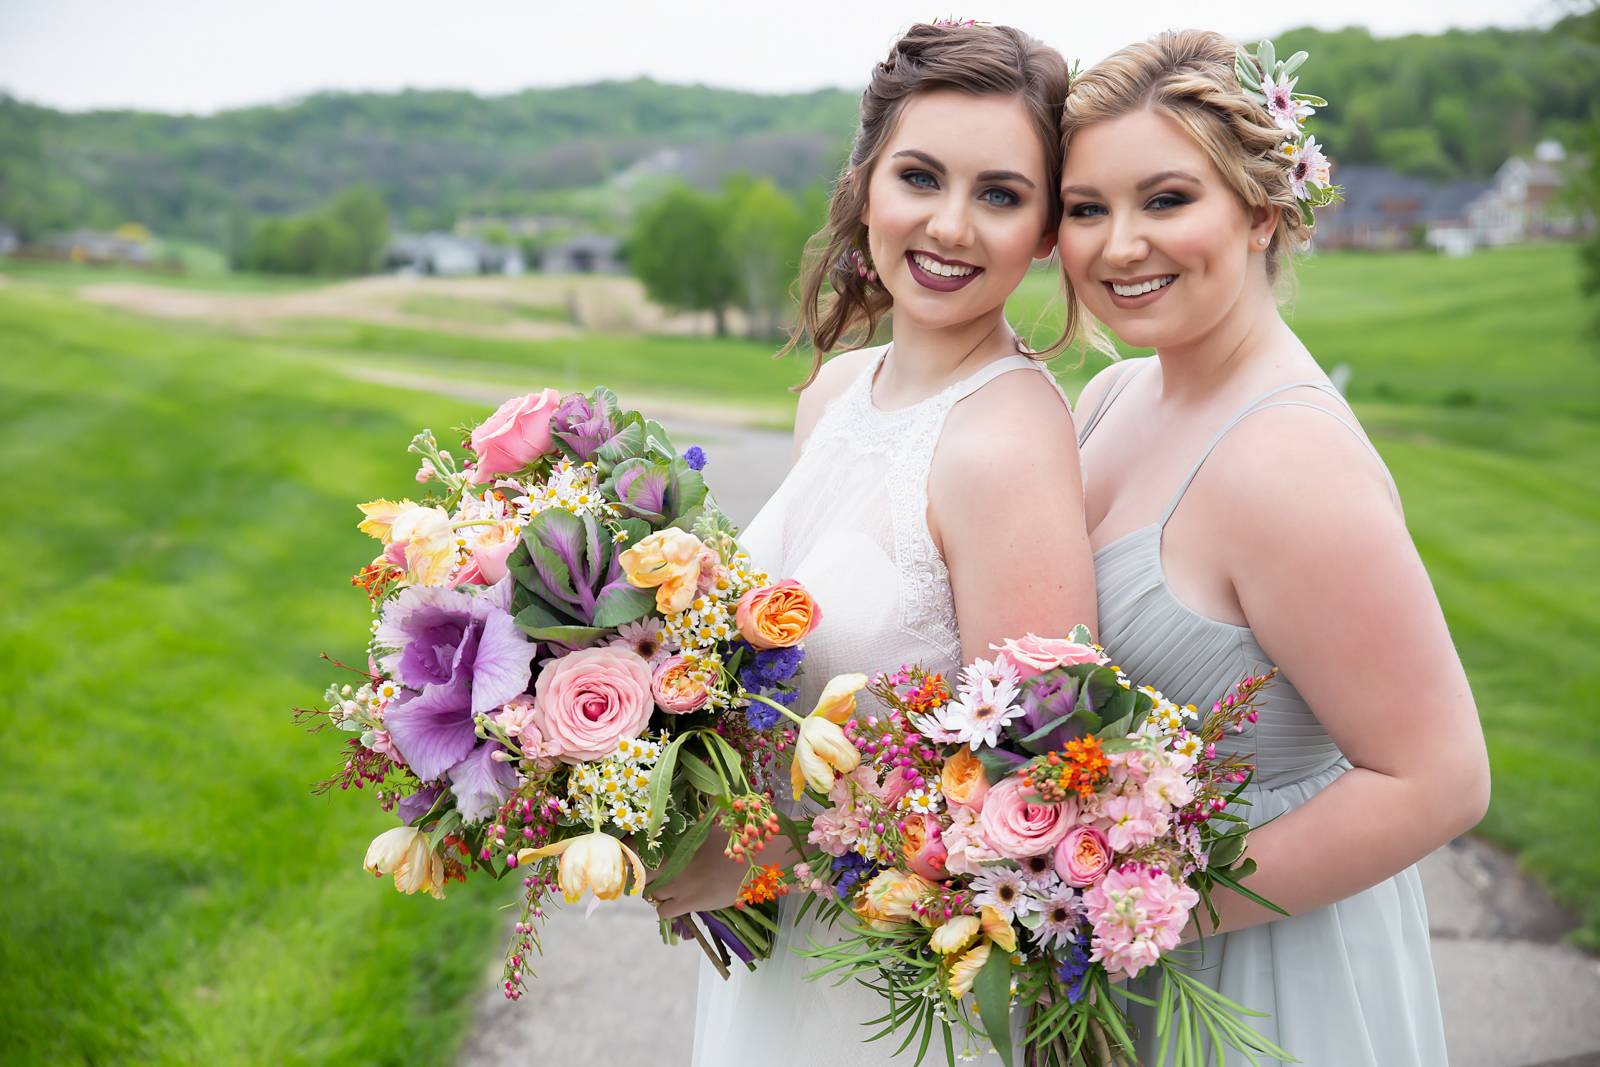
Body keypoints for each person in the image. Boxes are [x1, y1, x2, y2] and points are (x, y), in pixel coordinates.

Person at [646, 21, 1097, 1066]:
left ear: (1043, 231)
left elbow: (1033, 792)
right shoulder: (838, 391)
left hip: (899, 997)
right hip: (787, 965)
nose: (950, 225)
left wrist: (760, 851)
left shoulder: (1006, 447)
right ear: (863, 185)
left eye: (999, 194)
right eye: (920, 176)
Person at [1056, 29, 1490, 1064]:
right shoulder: (1112, 395)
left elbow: (1438, 778)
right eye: (1086, 208)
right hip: (1112, 955)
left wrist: (1126, 908)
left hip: (1257, 977)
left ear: (1262, 211)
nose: (1119, 245)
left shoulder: (1287, 459)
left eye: (1166, 200)